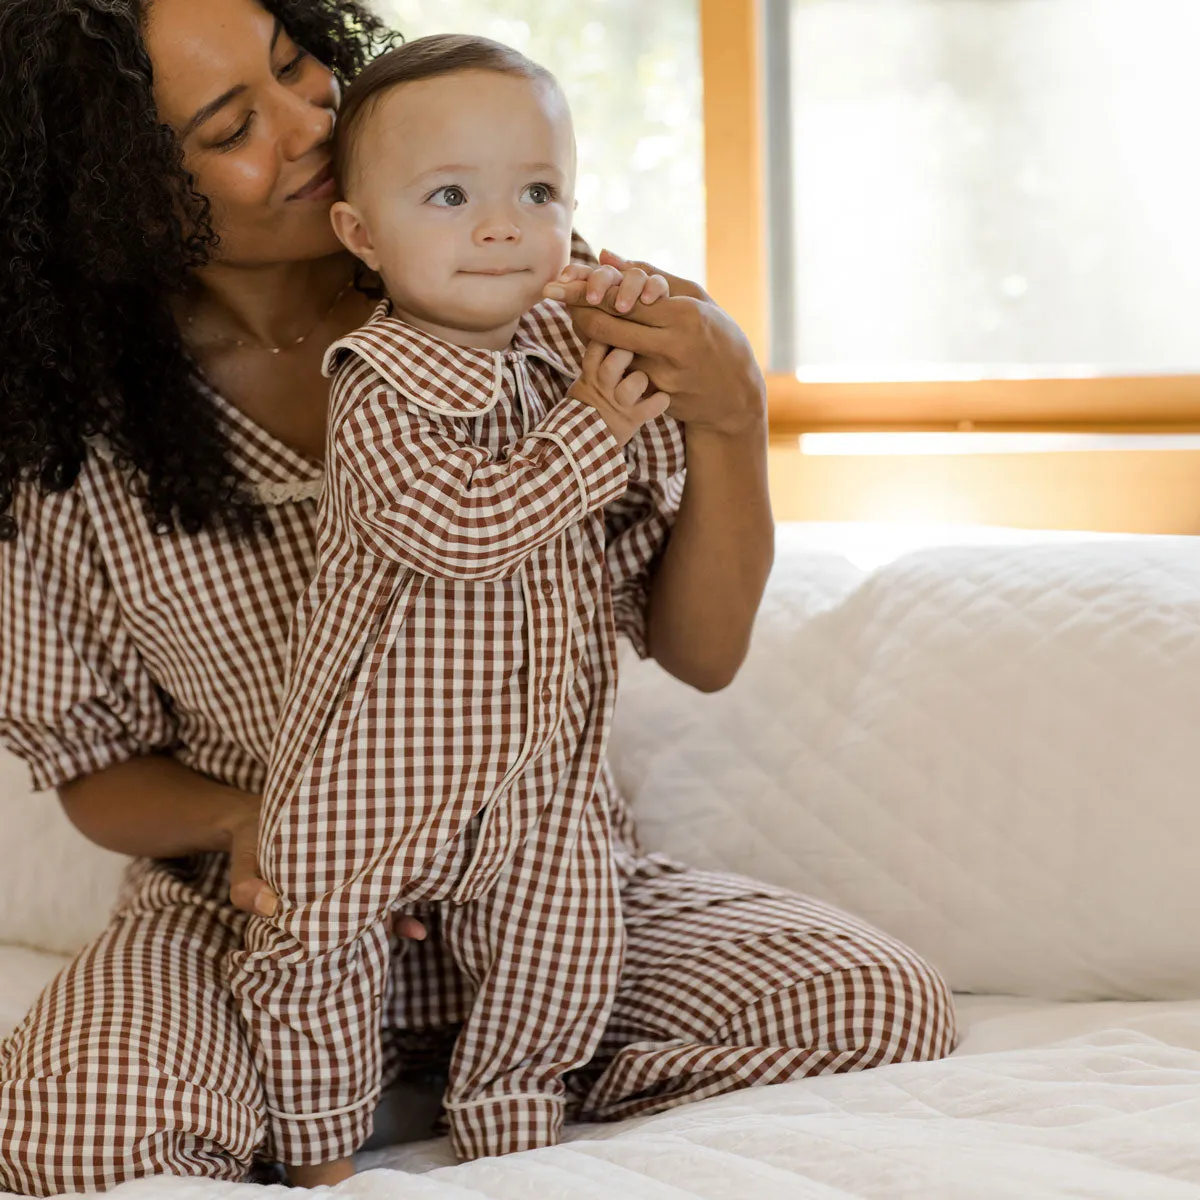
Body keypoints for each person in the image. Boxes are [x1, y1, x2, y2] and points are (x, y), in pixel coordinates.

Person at [0, 0, 958, 1194]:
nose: (310, 122)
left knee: (872, 1001)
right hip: (265, 909)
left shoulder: (527, 296)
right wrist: (277, 828)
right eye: (234, 121)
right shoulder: (63, 435)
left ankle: (474, 1078)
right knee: (77, 1134)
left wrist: (730, 416)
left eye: (301, 68)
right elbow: (98, 776)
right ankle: (322, 1075)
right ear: (118, 196)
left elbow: (701, 654)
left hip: (544, 885)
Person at [230, 35, 683, 1180]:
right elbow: (463, 530)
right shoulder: (374, 381)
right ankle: (325, 1154)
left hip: (538, 777)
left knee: (561, 956)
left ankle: (509, 1141)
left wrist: (632, 326)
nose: (501, 227)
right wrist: (597, 419)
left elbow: (654, 480)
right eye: (450, 196)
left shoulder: (563, 350)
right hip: (371, 769)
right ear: (362, 236)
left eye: (538, 193)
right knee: (315, 951)